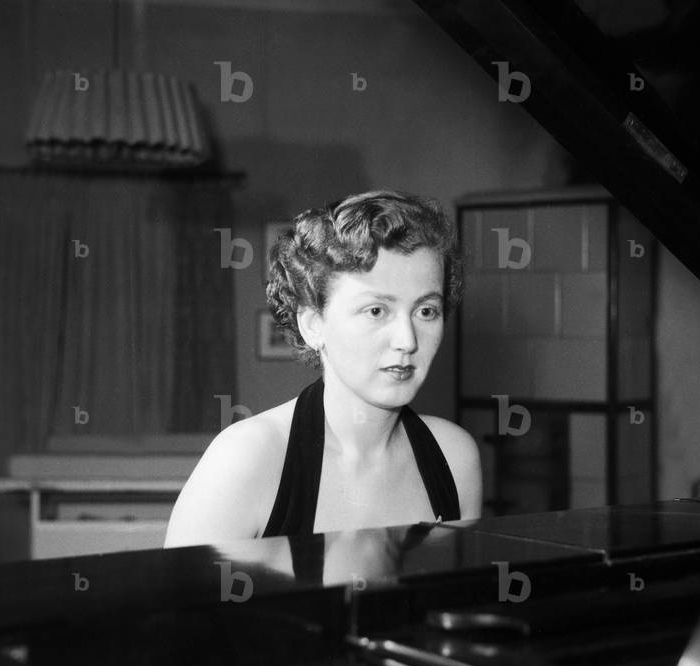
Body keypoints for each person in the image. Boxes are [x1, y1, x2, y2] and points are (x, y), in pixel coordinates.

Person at [164, 189, 482, 548]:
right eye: (376, 310)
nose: (407, 340)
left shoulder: (455, 458)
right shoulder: (247, 459)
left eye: (426, 311)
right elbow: (177, 605)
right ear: (313, 324)